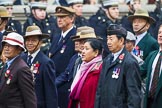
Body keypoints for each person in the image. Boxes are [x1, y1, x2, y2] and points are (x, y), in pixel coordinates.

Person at [95, 24, 142, 108]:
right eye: (107, 39)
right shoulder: (107, 60)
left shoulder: (129, 62)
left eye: (111, 39)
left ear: (121, 40)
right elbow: (100, 89)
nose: (108, 42)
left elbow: (134, 96)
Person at [21, 25, 58, 108]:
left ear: (40, 42)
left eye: (33, 40)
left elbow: (50, 92)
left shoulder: (46, 62)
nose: (30, 43)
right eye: (27, 40)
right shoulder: (21, 58)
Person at [48, 6, 76, 108]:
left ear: (72, 19)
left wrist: (55, 82)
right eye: (58, 17)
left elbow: (73, 65)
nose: (59, 19)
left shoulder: (75, 37)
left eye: (63, 17)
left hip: (66, 86)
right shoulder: (57, 37)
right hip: (54, 85)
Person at [0, 32, 37, 108]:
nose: (6, 48)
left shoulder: (22, 69)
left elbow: (29, 98)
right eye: (5, 45)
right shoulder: (6, 65)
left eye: (10, 46)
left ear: (19, 49)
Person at [69, 38, 103, 108]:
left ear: (96, 52)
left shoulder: (100, 69)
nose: (83, 51)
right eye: (83, 48)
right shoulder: (82, 66)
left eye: (87, 49)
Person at [140, 24, 162, 108]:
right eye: (159, 32)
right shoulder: (152, 55)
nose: (160, 35)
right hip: (149, 102)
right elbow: (140, 72)